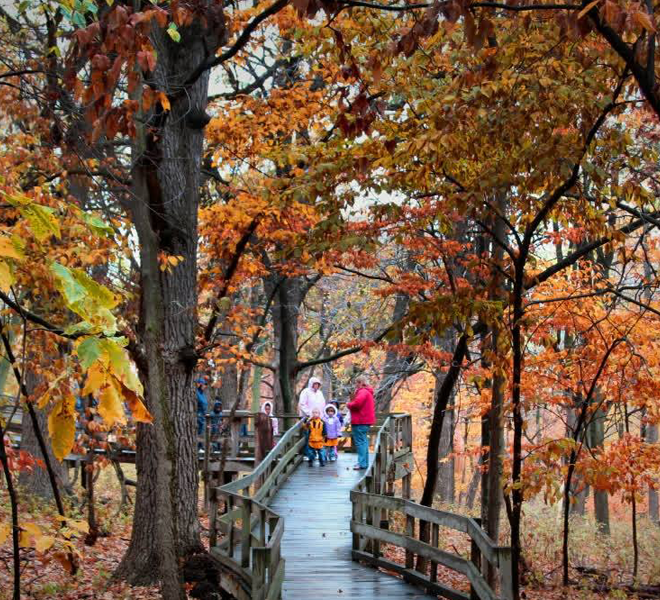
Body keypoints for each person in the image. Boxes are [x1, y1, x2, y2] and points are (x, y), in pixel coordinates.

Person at [347, 375, 375, 471]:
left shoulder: (363, 392)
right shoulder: (368, 392)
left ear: (360, 383)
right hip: (364, 421)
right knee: (363, 442)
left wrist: (349, 404)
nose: (356, 385)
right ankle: (364, 463)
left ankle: (362, 463)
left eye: (356, 383)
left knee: (360, 443)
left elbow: (357, 404)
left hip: (360, 421)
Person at [298, 377, 325, 459]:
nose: (316, 385)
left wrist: (322, 416)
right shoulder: (305, 392)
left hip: (318, 419)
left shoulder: (320, 393)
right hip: (308, 418)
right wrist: (310, 414)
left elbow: (323, 404)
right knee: (308, 436)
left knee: (317, 436)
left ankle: (314, 453)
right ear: (311, 384)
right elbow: (302, 404)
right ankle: (307, 454)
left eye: (318, 384)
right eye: (315, 384)